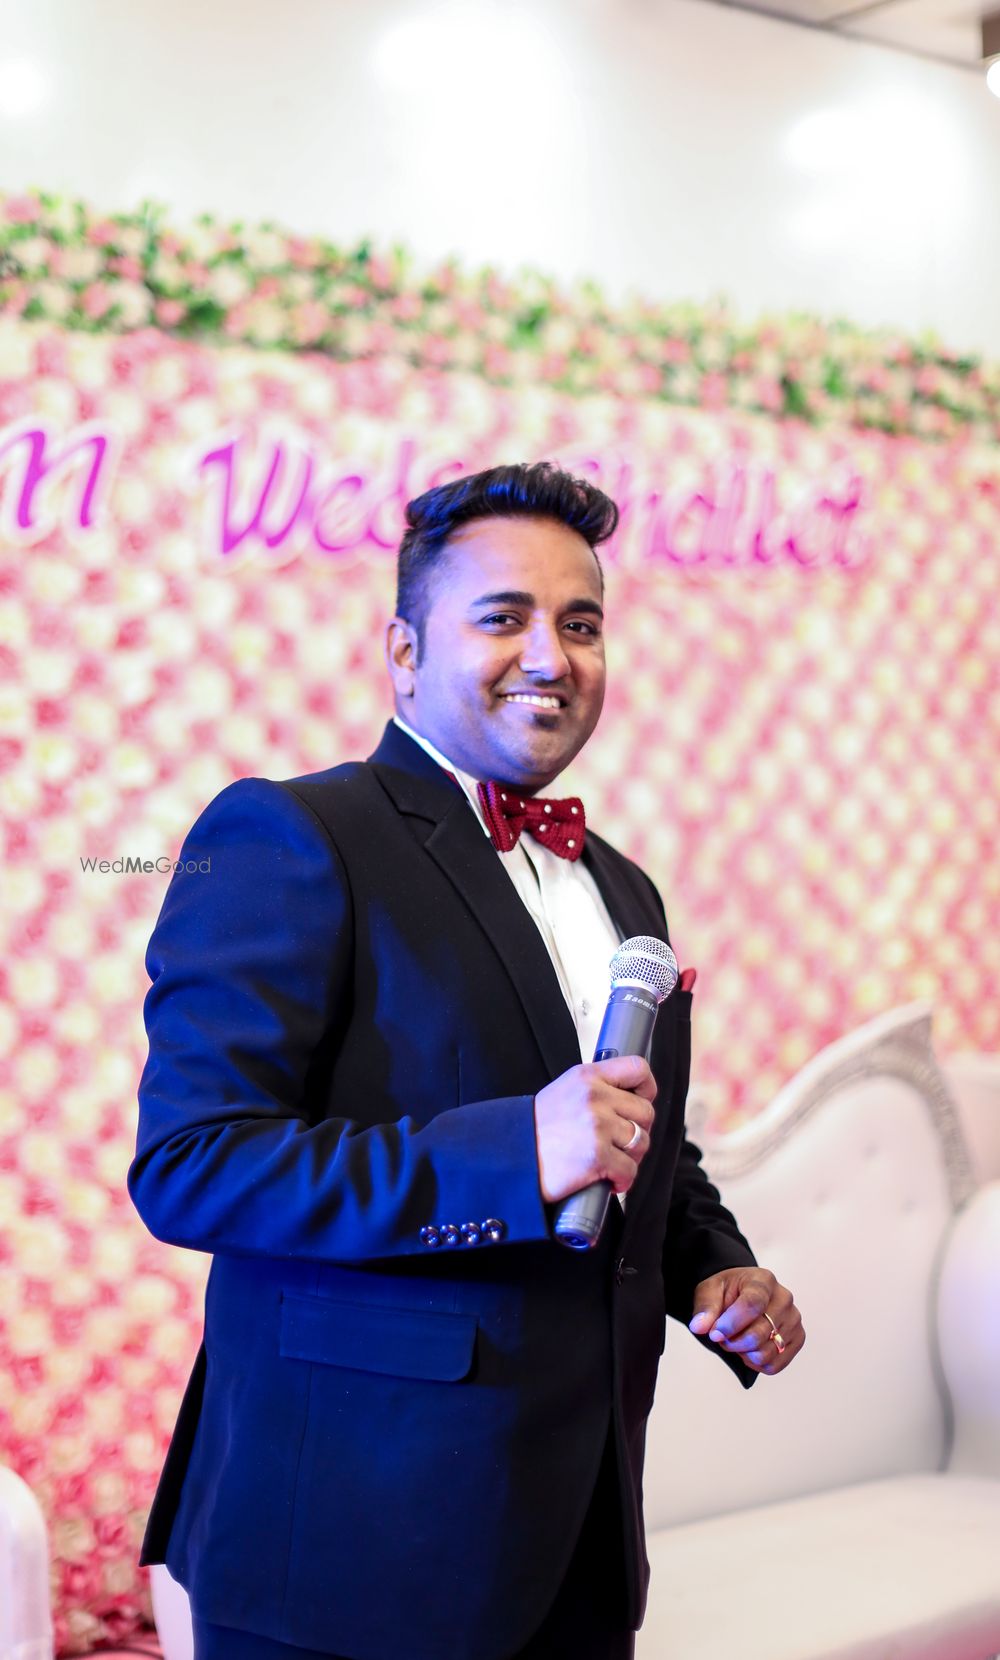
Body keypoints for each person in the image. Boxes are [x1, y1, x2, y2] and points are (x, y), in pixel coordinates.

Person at [129, 461, 804, 1660]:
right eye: (503, 617)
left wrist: (714, 1262)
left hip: (582, 1532)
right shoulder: (289, 833)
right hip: (345, 1544)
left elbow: (630, 1128)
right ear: (402, 651)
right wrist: (513, 1153)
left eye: (581, 624)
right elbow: (193, 1164)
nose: (551, 656)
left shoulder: (622, 885)